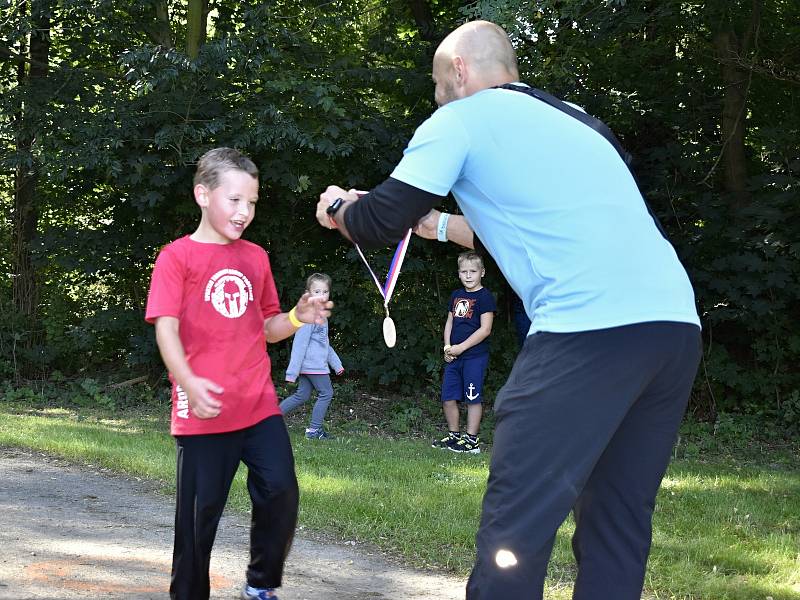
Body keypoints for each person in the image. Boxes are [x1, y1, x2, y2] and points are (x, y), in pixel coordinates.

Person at [314, 20, 701, 600]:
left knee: (517, 520)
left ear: (461, 71)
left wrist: (339, 206)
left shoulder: (461, 119)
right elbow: (532, 227)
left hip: (587, 333)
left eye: (439, 85)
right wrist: (438, 225)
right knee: (618, 519)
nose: (437, 99)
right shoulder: (575, 120)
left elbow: (372, 223)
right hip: (673, 330)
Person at [145, 147, 332, 600]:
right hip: (204, 408)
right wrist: (188, 381)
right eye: (234, 200)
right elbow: (165, 330)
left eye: (252, 201)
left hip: (257, 403)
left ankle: (260, 585)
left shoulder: (255, 257)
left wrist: (296, 317)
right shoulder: (177, 258)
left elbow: (267, 328)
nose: (244, 211)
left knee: (281, 491)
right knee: (198, 518)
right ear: (202, 196)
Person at [431, 251, 495, 454]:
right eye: (464, 271)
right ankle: (454, 436)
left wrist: (462, 347)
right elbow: (450, 322)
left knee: (472, 397)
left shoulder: (485, 297)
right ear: (458, 273)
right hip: (454, 357)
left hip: (474, 357)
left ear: (482, 272)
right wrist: (448, 348)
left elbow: (485, 330)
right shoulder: (456, 295)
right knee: (448, 397)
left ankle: (471, 441)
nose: (468, 275)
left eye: (473, 271)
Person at [280, 272, 344, 440]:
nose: (321, 296)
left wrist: (336, 364)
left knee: (302, 395)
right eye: (317, 292)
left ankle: (272, 420)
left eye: (325, 292)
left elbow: (324, 344)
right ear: (308, 294)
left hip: (311, 366)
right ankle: (314, 431)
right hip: (313, 366)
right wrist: (292, 372)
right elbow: (299, 344)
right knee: (326, 393)